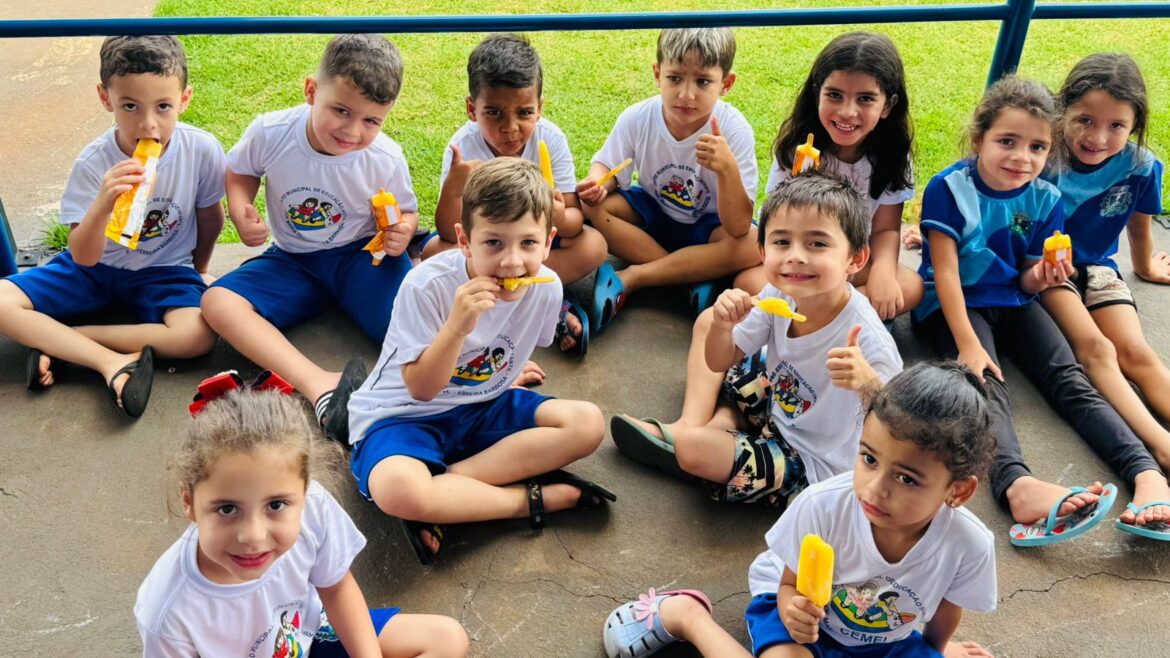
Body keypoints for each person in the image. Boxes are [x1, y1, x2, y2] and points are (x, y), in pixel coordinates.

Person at [915, 75, 1170, 545]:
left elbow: (1026, 275)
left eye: (1036, 148)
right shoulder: (948, 189)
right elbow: (946, 275)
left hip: (1013, 299)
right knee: (985, 385)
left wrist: (1047, 276)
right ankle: (1017, 485)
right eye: (1007, 142)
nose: (1021, 157)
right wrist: (968, 345)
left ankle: (1146, 472)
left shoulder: (1045, 197)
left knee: (1071, 379)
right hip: (954, 304)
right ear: (978, 140)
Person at [602, 363, 997, 658]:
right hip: (796, 615)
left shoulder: (969, 544)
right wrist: (793, 610)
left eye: (907, 479)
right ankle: (686, 616)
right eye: (869, 458)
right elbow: (789, 585)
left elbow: (946, 610)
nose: (875, 488)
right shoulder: (824, 506)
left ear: (958, 491)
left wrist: (936, 651)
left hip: (887, 643)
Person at [347, 159, 611, 565]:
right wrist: (456, 328)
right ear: (464, 240)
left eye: (527, 243)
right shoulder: (426, 287)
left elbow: (513, 343)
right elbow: (421, 388)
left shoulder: (547, 289)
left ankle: (451, 490)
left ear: (548, 240)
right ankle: (526, 501)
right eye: (493, 243)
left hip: (482, 403)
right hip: (402, 415)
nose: (511, 262)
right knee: (399, 490)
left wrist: (502, 374)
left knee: (588, 423)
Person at [613, 171, 902, 507]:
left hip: (810, 462)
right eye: (782, 242)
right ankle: (709, 423)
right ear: (763, 252)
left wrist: (866, 383)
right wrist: (723, 326)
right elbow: (721, 360)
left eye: (818, 243)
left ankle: (713, 431)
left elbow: (901, 427)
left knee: (692, 449)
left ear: (856, 258)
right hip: (778, 405)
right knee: (709, 321)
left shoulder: (866, 340)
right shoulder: (779, 292)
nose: (796, 255)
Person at [134, 383, 469, 657]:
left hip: (308, 636)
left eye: (276, 504)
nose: (253, 536)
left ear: (305, 490)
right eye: (226, 509)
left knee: (446, 638)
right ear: (190, 502)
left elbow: (336, 589)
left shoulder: (313, 507)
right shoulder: (167, 615)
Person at [201, 34, 419, 441]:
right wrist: (240, 206)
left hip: (362, 257)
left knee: (418, 324)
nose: (353, 131)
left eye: (372, 120)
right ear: (311, 90)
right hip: (293, 259)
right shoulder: (271, 131)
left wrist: (402, 231)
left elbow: (406, 211)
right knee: (217, 302)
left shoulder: (385, 157)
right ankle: (319, 384)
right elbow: (241, 170)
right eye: (341, 110)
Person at [0, 35, 224, 417]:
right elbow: (83, 256)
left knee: (198, 335)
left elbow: (210, 217)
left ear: (184, 100)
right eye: (131, 106)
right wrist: (104, 202)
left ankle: (64, 342)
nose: (148, 124)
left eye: (164, 106)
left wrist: (201, 269)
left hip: (163, 269)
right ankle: (108, 361)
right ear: (106, 99)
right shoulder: (93, 163)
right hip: (93, 272)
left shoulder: (200, 150)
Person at [420, 33, 607, 355]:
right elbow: (449, 228)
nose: (510, 128)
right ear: (471, 108)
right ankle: (539, 298)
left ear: (540, 109)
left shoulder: (551, 139)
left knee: (594, 245)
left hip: (534, 243)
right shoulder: (464, 147)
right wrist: (454, 186)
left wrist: (558, 213)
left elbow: (574, 224)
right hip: (488, 247)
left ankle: (518, 298)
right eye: (494, 113)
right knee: (432, 253)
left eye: (524, 113)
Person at [1039, 54, 1170, 487]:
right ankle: (1158, 442)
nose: (1098, 137)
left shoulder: (1142, 166)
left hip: (1097, 267)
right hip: (1046, 272)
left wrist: (1144, 264)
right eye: (1085, 120)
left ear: (1133, 125)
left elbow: (1138, 219)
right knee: (1097, 350)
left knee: (1138, 353)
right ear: (1063, 112)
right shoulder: (1040, 156)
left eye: (1116, 125)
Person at [578, 27, 760, 333]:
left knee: (753, 244)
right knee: (593, 207)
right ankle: (691, 277)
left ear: (726, 83)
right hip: (655, 214)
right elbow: (608, 164)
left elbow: (739, 226)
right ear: (657, 73)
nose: (686, 94)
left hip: (708, 226)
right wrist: (596, 183)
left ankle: (637, 276)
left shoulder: (734, 130)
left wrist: (727, 170)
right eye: (675, 78)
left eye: (703, 81)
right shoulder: (639, 117)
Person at [738, 31, 923, 321]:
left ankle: (810, 317)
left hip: (852, 261)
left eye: (865, 99)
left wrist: (883, 275)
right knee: (747, 282)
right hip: (800, 255)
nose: (847, 112)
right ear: (817, 94)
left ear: (887, 106)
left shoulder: (892, 155)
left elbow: (887, 229)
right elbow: (777, 221)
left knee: (909, 286)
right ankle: (841, 316)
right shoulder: (796, 147)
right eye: (835, 95)